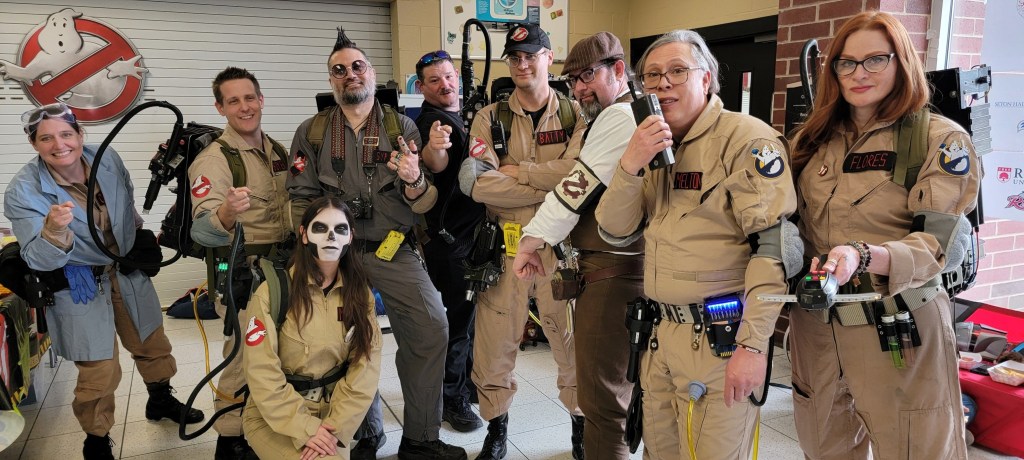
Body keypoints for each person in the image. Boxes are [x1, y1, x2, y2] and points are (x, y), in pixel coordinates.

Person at [594, 30, 798, 459]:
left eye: (677, 71)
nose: (663, 83)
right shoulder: (652, 144)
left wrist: (753, 346)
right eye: (652, 76)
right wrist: (630, 165)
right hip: (659, 336)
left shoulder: (745, 141)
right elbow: (614, 228)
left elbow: (774, 250)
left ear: (706, 79)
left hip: (720, 340)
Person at [788, 11, 977, 459]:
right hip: (818, 332)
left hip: (898, 329)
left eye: (875, 59)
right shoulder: (811, 141)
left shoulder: (938, 140)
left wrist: (865, 255)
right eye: (846, 63)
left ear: (902, 61)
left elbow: (937, 244)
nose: (859, 73)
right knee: (824, 449)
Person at [286, 27, 466, 460]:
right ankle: (364, 433)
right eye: (339, 69)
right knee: (343, 339)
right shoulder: (312, 132)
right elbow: (300, 198)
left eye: (357, 66)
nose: (350, 74)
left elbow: (425, 201)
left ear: (371, 72)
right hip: (335, 254)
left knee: (431, 327)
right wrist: (315, 254)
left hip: (393, 247)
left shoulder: (401, 126)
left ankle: (420, 438)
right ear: (331, 80)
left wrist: (414, 179)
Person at [4, 103, 204, 460]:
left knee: (151, 341)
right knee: (99, 366)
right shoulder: (23, 190)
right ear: (33, 143)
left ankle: (160, 400)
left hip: (125, 268)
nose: (59, 145)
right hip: (78, 280)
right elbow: (36, 258)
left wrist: (138, 234)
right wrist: (53, 230)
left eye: (66, 134)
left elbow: (125, 201)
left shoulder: (106, 158)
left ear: (80, 134)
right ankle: (96, 439)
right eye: (46, 138)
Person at [458, 22, 586, 460]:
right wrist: (550, 186)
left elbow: (582, 176)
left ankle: (580, 425)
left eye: (531, 55)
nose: (522, 64)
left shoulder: (574, 114)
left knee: (571, 342)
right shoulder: (488, 117)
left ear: (549, 58)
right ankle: (497, 429)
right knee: (494, 345)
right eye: (514, 58)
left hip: (561, 249)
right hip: (504, 246)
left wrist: (520, 172)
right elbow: (479, 184)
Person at [512, 31, 642, 460]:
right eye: (572, 81)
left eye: (588, 76)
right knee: (617, 393)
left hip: (613, 273)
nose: (580, 89)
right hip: (615, 268)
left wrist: (531, 240)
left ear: (618, 70)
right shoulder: (626, 114)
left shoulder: (620, 116)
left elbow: (575, 187)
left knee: (602, 400)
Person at [188, 66, 292, 460]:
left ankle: (265, 425)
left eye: (250, 98)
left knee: (278, 353)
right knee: (244, 355)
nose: (244, 107)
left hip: (283, 270)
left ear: (261, 100)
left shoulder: (278, 151)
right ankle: (230, 437)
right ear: (221, 108)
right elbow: (203, 231)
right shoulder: (214, 160)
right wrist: (228, 212)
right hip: (244, 275)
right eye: (233, 101)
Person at [241, 197, 382, 460]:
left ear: (350, 237)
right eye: (320, 228)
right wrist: (306, 428)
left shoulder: (360, 295)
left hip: (333, 416)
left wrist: (334, 428)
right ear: (304, 235)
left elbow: (365, 369)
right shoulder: (273, 293)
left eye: (340, 229)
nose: (331, 236)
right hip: (276, 416)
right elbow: (261, 373)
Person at [414, 50, 486, 433]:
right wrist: (435, 147)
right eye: (434, 80)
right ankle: (451, 397)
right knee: (457, 322)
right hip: (450, 241)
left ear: (457, 75)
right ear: (421, 87)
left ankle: (467, 384)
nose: (444, 84)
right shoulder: (432, 122)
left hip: (470, 237)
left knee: (470, 318)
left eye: (447, 76)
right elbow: (435, 160)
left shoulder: (463, 116)